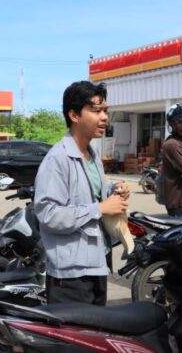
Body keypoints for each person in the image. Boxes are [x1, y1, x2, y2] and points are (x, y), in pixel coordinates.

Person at [33, 81, 129, 306]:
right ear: (74, 115)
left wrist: (113, 191)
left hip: (97, 261)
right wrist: (100, 209)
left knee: (95, 337)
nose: (104, 117)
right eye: (96, 111)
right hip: (72, 276)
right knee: (75, 340)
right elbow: (48, 214)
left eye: (105, 110)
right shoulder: (58, 159)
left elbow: (90, 192)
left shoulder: (92, 154)